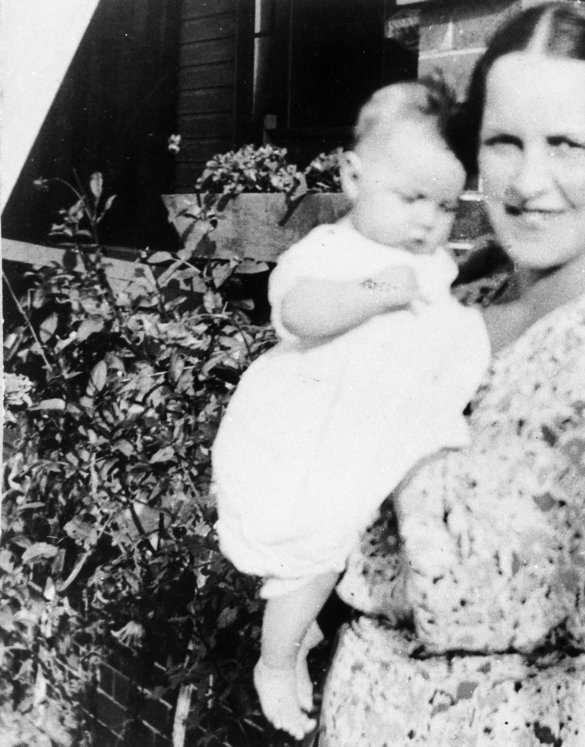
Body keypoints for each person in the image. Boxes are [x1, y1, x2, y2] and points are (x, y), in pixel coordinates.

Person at [315, 3, 585, 745]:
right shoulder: (455, 296)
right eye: (504, 142)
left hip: (517, 719)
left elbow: (527, 577)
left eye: (566, 142)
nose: (529, 181)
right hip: (365, 704)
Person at [210, 79, 490, 738]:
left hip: (371, 433)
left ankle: (309, 624)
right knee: (313, 551)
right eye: (412, 197)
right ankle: (275, 662)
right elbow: (301, 313)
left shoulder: (427, 260)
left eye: (446, 205)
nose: (428, 220)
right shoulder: (334, 251)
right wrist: (374, 288)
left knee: (362, 537)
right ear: (354, 176)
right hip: (305, 436)